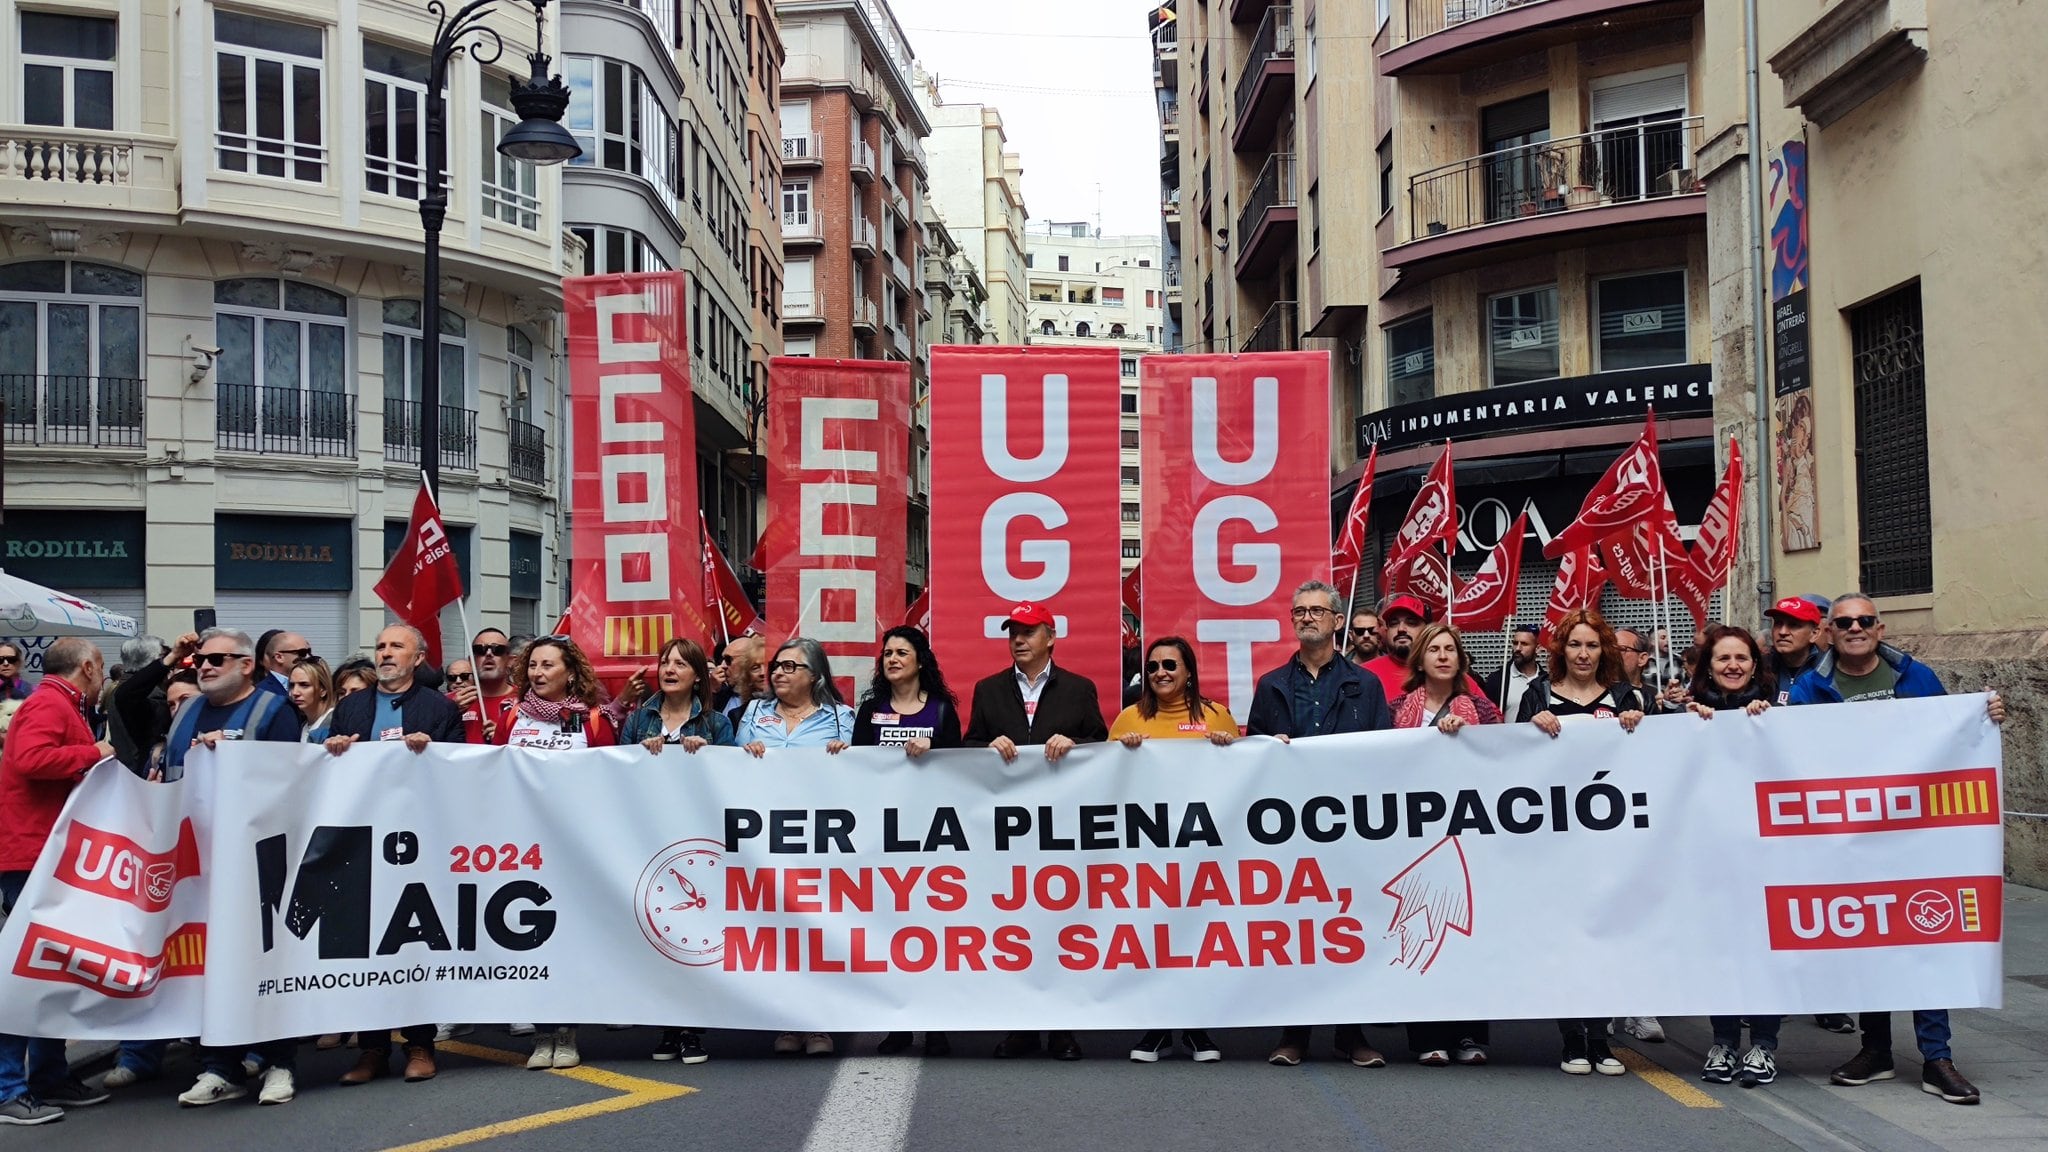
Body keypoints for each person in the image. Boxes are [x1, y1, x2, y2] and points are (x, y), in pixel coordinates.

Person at [1788, 595, 2007, 1105]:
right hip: (1851, 838)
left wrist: (1985, 713)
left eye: (1865, 621)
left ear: (1880, 627)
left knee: (1927, 937)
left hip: (1918, 836)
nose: (1856, 629)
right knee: (1871, 940)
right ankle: (1877, 1051)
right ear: (1829, 632)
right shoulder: (1810, 688)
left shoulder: (1917, 677)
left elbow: (1955, 734)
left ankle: (1937, 1058)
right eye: (1845, 623)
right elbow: (1789, 751)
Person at [1243, 581, 1391, 1068]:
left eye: (1316, 611)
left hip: (1349, 827)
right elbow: (1254, 758)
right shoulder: (1271, 686)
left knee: (1351, 927)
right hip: (1291, 829)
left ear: (1336, 620)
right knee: (1300, 930)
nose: (1306, 618)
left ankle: (1352, 1032)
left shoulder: (1365, 685)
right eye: (1298, 612)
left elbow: (1384, 755)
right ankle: (1295, 1033)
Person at [154, 629, 305, 1107]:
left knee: (264, 961)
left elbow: (293, 779)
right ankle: (219, 1067)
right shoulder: (187, 711)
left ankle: (280, 1062)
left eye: (218, 658)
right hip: (196, 866)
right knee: (203, 966)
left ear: (246, 665)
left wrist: (237, 757)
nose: (205, 666)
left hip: (256, 861)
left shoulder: (273, 710)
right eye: (201, 658)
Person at [324, 625, 467, 1086]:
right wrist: (337, 750)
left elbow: (460, 770)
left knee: (413, 942)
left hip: (417, 841)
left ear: (418, 657)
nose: (385, 653)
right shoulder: (350, 707)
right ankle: (372, 1049)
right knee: (366, 942)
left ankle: (420, 1044)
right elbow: (329, 773)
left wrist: (434, 753)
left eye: (395, 647)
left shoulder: (440, 708)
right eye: (380, 645)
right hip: (363, 840)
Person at [964, 602, 1108, 1061]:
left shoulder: (1079, 689)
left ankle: (1063, 1029)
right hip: (1005, 834)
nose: (1018, 640)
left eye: (1028, 632)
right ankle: (1019, 1028)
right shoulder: (987, 690)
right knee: (1014, 930)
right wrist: (987, 745)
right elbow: (965, 749)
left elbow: (1101, 747)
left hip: (1061, 832)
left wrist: (1076, 743)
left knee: (1061, 928)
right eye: (1013, 632)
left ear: (1051, 637)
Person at [1517, 608, 1644, 1075]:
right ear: (1561, 651)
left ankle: (1600, 1037)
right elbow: (1514, 763)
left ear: (1603, 651)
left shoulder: (1625, 696)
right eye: (1575, 644)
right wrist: (1530, 727)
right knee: (1566, 937)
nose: (1584, 653)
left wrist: (1639, 720)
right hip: (1555, 842)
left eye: (1592, 645)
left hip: (1610, 844)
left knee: (1606, 937)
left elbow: (1650, 760)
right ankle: (1571, 1036)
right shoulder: (1538, 695)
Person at [0, 638, 115, 1125]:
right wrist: (95, 751)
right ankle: (9, 1088)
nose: (103, 674)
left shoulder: (52, 701)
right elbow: (31, 760)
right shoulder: (49, 703)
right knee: (28, 974)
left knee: (51, 972)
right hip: (29, 854)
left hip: (40, 853)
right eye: (101, 666)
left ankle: (48, 1077)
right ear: (87, 666)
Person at [1112, 636, 1235, 1065]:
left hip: (1202, 849)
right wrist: (1121, 754)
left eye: (1169, 665)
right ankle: (1159, 1027)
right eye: (1153, 666)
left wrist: (1228, 747)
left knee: (1198, 935)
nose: (1160, 673)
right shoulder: (1129, 717)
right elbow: (1103, 784)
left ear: (1188, 672)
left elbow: (1244, 778)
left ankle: (1197, 1028)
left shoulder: (1217, 715)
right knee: (1154, 934)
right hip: (1148, 850)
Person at [735, 637, 856, 1058]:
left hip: (820, 841)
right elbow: (728, 768)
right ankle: (787, 1018)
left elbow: (862, 777)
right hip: (766, 838)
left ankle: (820, 1022)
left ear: (815, 676)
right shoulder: (752, 713)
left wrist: (848, 755)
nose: (779, 673)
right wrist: (744, 752)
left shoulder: (843, 719)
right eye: (777, 666)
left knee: (818, 929)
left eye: (791, 666)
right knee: (778, 930)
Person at [1676, 625, 1786, 1086]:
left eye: (1742, 658)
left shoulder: (1776, 712)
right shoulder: (1686, 714)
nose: (1733, 666)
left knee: (1765, 949)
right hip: (1710, 854)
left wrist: (1766, 723)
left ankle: (1763, 1046)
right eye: (1723, 659)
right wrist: (1681, 720)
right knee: (1721, 949)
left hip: (1766, 854)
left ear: (1755, 666)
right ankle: (1722, 1041)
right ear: (1709, 667)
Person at [1392, 622, 1501, 1067]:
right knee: (1419, 928)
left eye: (1449, 650)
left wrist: (1470, 737)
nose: (1442, 656)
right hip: (1414, 835)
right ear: (1419, 658)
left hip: (1469, 832)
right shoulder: (1396, 707)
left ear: (1461, 659)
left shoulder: (1482, 708)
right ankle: (1427, 1036)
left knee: (1466, 935)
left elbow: (1506, 756)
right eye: (1433, 649)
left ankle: (1469, 1036)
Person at [853, 626, 963, 1058]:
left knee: (933, 933)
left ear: (920, 660)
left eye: (901, 652)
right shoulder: (871, 711)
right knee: (891, 933)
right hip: (884, 839)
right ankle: (897, 1023)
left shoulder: (940, 711)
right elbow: (858, 769)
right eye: (887, 653)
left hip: (932, 838)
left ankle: (935, 1024)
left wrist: (932, 747)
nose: (892, 659)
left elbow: (961, 768)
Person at [1361, 595, 1484, 701]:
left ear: (1426, 629)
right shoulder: (1364, 674)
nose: (1401, 629)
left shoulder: (1447, 673)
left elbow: (1493, 720)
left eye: (1411, 623)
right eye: (1394, 623)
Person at [105, 635, 165, 771]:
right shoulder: (147, 694)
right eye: (163, 657)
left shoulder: (118, 687)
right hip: (143, 769)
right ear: (153, 661)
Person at [462, 629, 521, 744]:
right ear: (471, 661)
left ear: (510, 661)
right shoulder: (452, 702)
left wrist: (505, 736)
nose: (489, 654)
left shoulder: (526, 701)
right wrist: (450, 712)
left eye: (498, 650)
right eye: (480, 650)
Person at [1478, 625, 1543, 722]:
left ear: (1537, 648)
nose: (1517, 648)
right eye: (1515, 643)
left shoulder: (1546, 681)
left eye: (1524, 644)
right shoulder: (1497, 680)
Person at [252, 629, 312, 704]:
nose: (307, 657)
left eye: (309, 652)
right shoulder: (260, 693)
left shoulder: (315, 685)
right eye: (302, 653)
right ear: (279, 657)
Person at [291, 657, 337, 742]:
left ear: (323, 689)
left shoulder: (336, 723)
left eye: (304, 685)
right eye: (292, 685)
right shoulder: (302, 726)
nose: (295, 692)